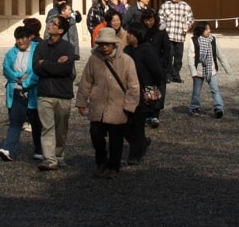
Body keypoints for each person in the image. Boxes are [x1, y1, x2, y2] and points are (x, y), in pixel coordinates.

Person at [76, 27, 140, 179]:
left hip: (118, 106)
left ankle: (114, 166)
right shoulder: (94, 60)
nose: (104, 47)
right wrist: (81, 102)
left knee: (116, 140)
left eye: (107, 44)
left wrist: (129, 106)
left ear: (114, 44)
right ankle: (101, 161)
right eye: (102, 44)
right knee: (95, 135)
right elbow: (85, 81)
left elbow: (134, 86)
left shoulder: (126, 61)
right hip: (98, 105)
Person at [33, 13, 76, 171]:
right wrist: (54, 65)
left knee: (61, 128)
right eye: (51, 22)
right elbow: (36, 68)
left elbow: (65, 69)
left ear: (61, 30)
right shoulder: (41, 46)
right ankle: (49, 159)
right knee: (47, 127)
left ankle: (58, 155)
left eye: (54, 24)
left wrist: (46, 64)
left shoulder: (68, 47)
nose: (50, 25)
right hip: (45, 93)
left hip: (63, 94)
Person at [0, 26, 42, 162]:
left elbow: (38, 70)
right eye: (17, 38)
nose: (20, 41)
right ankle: (8, 149)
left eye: (23, 38)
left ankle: (39, 150)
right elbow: (6, 68)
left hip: (33, 92)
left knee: (36, 123)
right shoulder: (11, 52)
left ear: (30, 38)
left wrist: (27, 81)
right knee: (15, 122)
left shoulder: (38, 50)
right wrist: (18, 77)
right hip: (16, 91)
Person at [123, 23, 164, 165]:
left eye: (130, 34)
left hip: (142, 94)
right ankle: (140, 143)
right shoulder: (127, 50)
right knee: (124, 124)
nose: (128, 36)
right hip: (127, 92)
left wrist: (152, 85)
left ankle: (135, 154)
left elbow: (157, 71)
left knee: (138, 125)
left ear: (138, 35)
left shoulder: (146, 51)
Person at [185, 21, 231, 117]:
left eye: (209, 29)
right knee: (196, 91)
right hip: (199, 70)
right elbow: (191, 57)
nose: (209, 31)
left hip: (211, 69)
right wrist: (193, 72)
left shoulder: (213, 40)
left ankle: (219, 108)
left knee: (215, 89)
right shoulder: (193, 40)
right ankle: (194, 107)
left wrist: (227, 68)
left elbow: (220, 54)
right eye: (206, 29)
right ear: (201, 30)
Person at [139, 8, 170, 127]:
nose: (148, 23)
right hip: (144, 67)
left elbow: (166, 50)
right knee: (146, 90)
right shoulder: (142, 32)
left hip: (158, 66)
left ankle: (155, 115)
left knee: (158, 90)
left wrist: (162, 64)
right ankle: (147, 115)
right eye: (146, 20)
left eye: (150, 20)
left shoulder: (161, 32)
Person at [159, 0, 194, 83]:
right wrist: (162, 28)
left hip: (180, 36)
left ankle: (176, 74)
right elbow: (160, 18)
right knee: (168, 56)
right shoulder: (165, 5)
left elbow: (191, 19)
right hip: (168, 36)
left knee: (178, 58)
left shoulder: (186, 6)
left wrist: (188, 25)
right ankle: (168, 75)